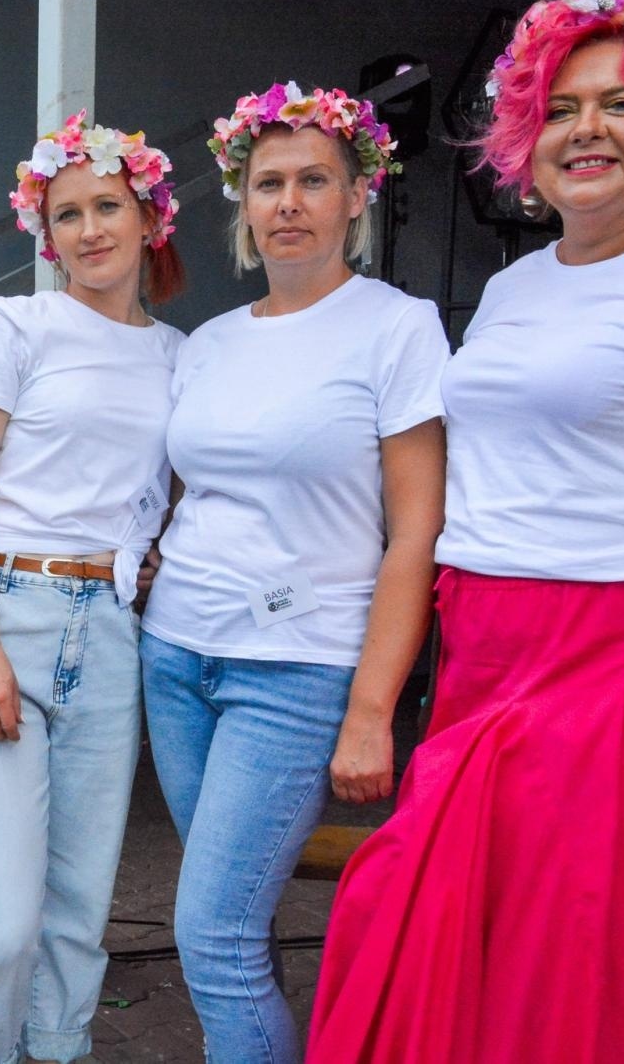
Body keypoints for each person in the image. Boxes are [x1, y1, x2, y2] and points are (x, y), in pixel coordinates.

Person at [309, 0, 624, 1061]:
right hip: (488, 660)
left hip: (623, 675)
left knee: (590, 988)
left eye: (622, 104)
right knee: (456, 957)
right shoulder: (518, 283)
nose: (586, 130)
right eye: (562, 108)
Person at [139, 84, 445, 1063]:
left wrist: (369, 708)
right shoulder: (211, 343)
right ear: (243, 202)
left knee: (212, 935)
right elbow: (195, 491)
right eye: (267, 182)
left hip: (297, 671)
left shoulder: (397, 329)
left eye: (314, 180)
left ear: (357, 197)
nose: (288, 202)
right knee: (237, 919)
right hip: (176, 655)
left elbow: (414, 533)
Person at [0, 110, 185, 1064]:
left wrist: (150, 555)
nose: (89, 231)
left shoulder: (176, 354)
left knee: (78, 911)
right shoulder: (16, 325)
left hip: (108, 630)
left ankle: (59, 1050)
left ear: (150, 217)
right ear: (46, 232)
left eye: (107, 206)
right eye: (66, 215)